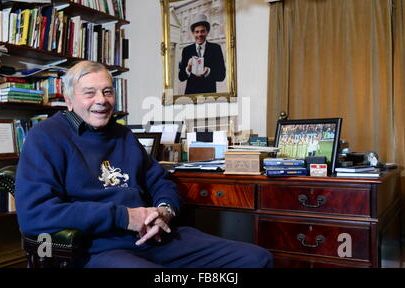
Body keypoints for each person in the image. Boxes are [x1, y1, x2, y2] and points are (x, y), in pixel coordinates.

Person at [15, 61, 273, 268]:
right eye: (89, 93)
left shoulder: (123, 135)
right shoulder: (45, 137)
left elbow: (160, 180)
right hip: (99, 247)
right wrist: (124, 216)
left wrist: (164, 210)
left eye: (107, 91)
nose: (101, 100)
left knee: (256, 259)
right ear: (69, 100)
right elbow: (35, 215)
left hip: (157, 237)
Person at [178, 14, 226, 95]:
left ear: (207, 32)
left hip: (209, 95)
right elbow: (181, 77)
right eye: (197, 32)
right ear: (193, 33)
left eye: (202, 31)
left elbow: (221, 76)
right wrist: (187, 70)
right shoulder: (186, 50)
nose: (199, 35)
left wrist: (209, 71)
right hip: (191, 95)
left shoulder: (216, 49)